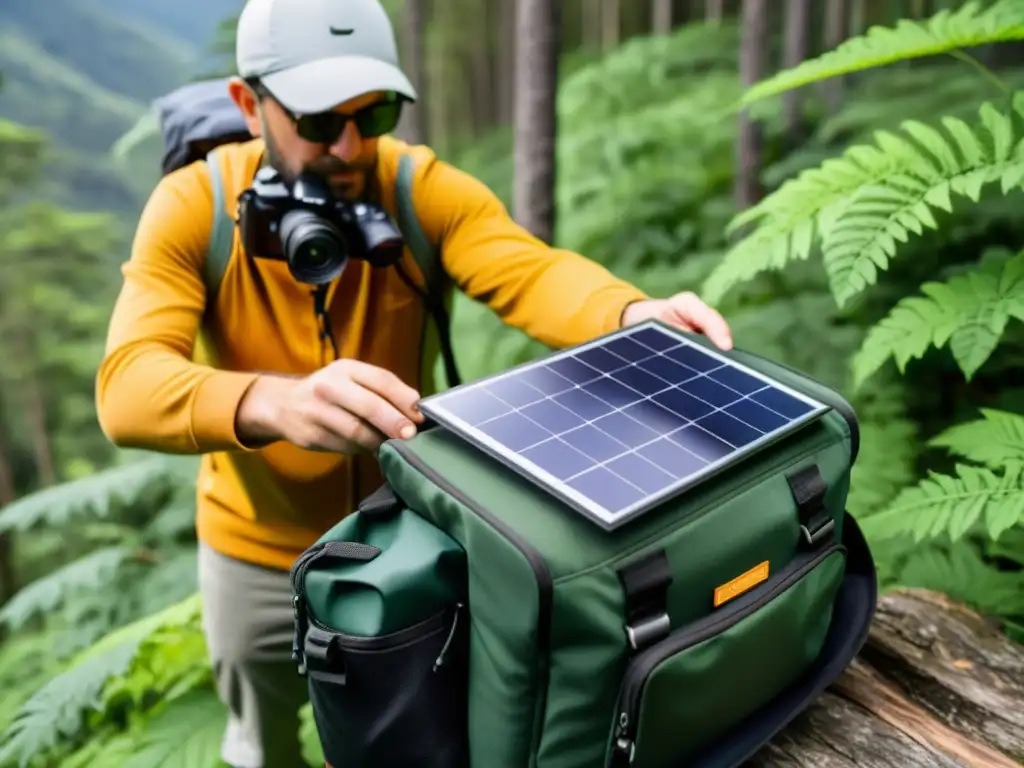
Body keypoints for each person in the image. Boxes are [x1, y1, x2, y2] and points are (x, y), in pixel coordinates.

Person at [94, 0, 734, 765]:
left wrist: (630, 311)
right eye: (322, 120)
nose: (353, 143)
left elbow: (528, 271)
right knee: (263, 747)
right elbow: (126, 387)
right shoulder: (194, 208)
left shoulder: (416, 187)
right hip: (249, 556)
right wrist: (274, 402)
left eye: (377, 111)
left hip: (405, 543)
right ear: (248, 104)